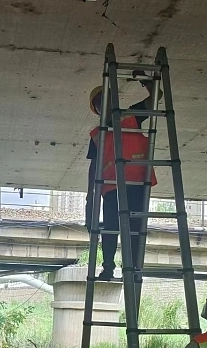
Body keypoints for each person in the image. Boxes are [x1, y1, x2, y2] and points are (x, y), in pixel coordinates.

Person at [86, 76, 159, 280]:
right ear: (96, 109)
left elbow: (156, 97)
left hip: (137, 185)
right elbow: (93, 167)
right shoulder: (96, 134)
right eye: (99, 103)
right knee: (110, 230)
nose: (104, 105)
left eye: (106, 100)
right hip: (111, 188)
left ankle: (134, 269)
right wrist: (90, 197)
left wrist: (147, 81)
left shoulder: (130, 117)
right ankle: (108, 267)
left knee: (135, 230)